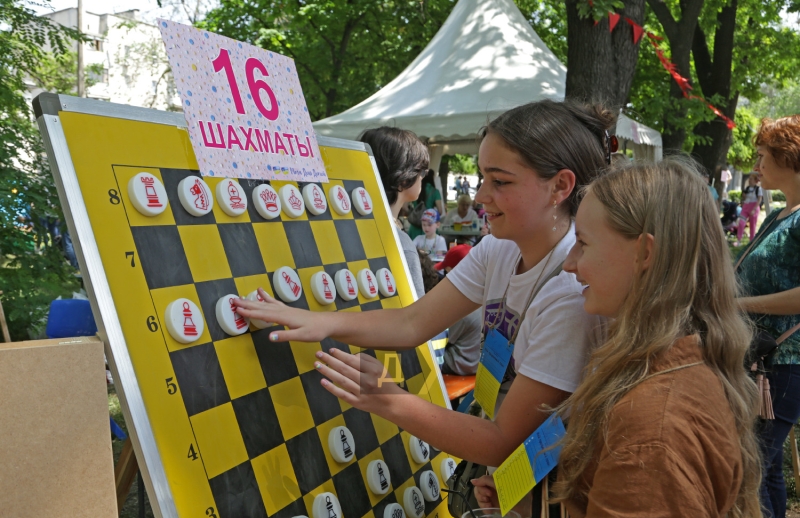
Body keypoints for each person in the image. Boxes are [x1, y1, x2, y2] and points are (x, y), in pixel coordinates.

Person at [234, 99, 612, 474]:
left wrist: (386, 398)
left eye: (500, 182)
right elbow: (412, 323)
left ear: (560, 186)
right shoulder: (499, 247)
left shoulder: (570, 292)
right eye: (482, 178)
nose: (480, 196)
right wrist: (320, 321)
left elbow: (501, 442)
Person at [473, 159, 764, 518]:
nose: (569, 265)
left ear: (645, 254)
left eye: (583, 243)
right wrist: (553, 500)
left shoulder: (652, 429)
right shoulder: (663, 367)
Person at [737, 115, 800, 518]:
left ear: (790, 157)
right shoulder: (781, 212)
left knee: (752, 468)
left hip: (785, 361)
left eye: (763, 155)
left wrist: (737, 302)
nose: (757, 164)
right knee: (767, 467)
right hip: (765, 359)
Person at [357, 127, 427, 297]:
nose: (423, 177)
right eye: (422, 171)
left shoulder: (350, 227)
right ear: (403, 180)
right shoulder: (399, 243)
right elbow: (415, 315)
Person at [433, 246, 482, 376]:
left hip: (461, 363)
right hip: (478, 360)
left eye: (446, 271)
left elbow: (441, 338)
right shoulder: (484, 292)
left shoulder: (463, 305)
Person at [407, 169, 444, 239]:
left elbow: (404, 206)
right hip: (430, 226)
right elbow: (440, 211)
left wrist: (413, 212)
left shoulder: (415, 190)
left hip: (415, 227)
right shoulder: (435, 191)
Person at [735, 173, 763, 246]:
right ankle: (739, 240)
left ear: (755, 180)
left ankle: (751, 242)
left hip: (754, 207)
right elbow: (745, 198)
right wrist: (743, 196)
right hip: (746, 207)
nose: (749, 180)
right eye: (749, 179)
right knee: (741, 223)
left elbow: (759, 200)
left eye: (751, 179)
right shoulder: (747, 188)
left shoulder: (758, 189)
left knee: (752, 225)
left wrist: (754, 209)